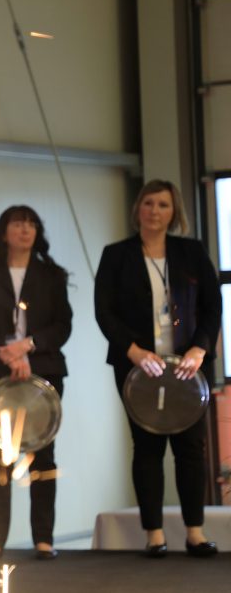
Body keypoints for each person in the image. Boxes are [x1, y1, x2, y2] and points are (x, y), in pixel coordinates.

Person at [94, 179, 222, 558]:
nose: (155, 211)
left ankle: (195, 532)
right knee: (147, 446)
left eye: (163, 205)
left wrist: (200, 348)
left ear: (174, 212)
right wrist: (132, 351)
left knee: (190, 448)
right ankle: (154, 534)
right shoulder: (116, 254)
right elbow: (104, 311)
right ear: (138, 209)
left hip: (187, 365)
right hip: (138, 365)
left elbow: (213, 306)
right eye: (148, 203)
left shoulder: (191, 252)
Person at [0, 205, 71, 561]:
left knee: (43, 454)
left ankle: (44, 538)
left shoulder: (52, 275)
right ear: (3, 232)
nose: (24, 230)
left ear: (37, 232)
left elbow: (63, 325)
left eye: (31, 224)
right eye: (17, 223)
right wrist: (7, 353)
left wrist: (28, 346)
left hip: (44, 370)